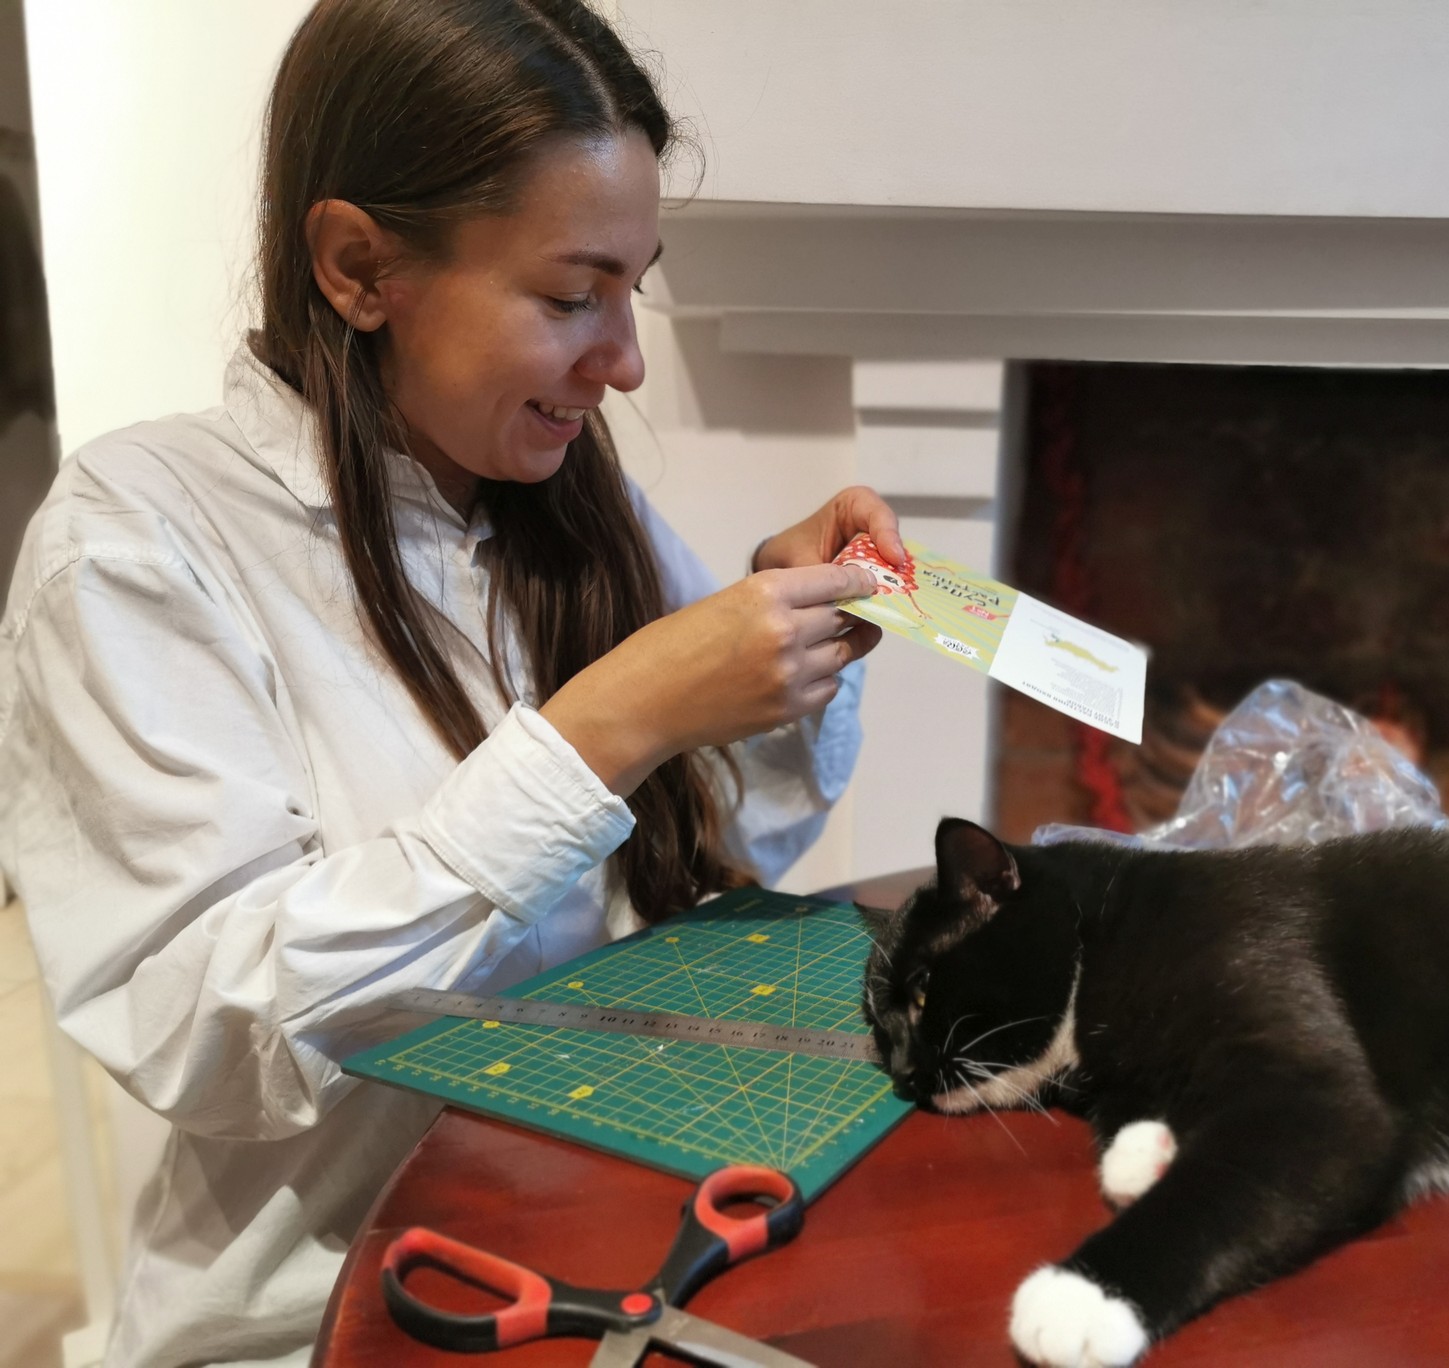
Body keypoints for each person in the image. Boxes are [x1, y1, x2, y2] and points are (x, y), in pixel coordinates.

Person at [0, 2, 901, 1364]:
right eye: (570, 297)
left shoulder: (566, 499)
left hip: (610, 1238)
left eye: (634, 290)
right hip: (329, 1317)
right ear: (360, 267)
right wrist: (613, 723)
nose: (625, 361)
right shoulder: (136, 540)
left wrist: (786, 658)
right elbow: (214, 1037)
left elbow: (708, 852)